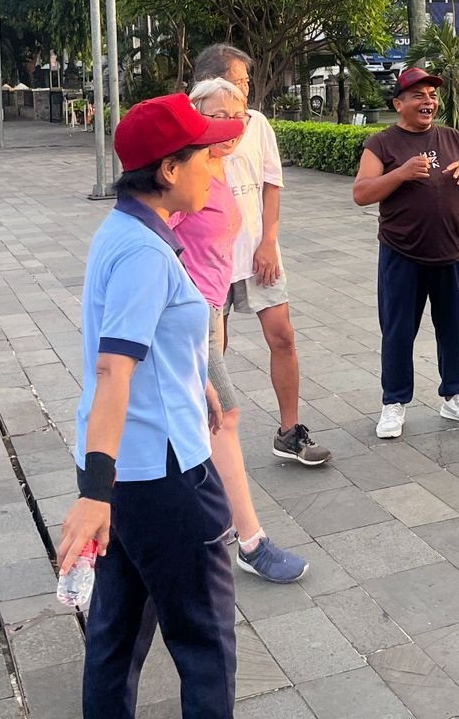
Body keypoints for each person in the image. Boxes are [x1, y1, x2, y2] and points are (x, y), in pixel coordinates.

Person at [56, 92, 247, 719]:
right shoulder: (144, 252)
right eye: (205, 157)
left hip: (129, 473)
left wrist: (197, 382)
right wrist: (94, 495)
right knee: (205, 642)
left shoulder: (127, 229)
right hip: (165, 478)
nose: (215, 169)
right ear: (168, 169)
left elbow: (148, 341)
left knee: (115, 637)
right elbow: (114, 367)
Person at [169, 77, 309, 584]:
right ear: (194, 115)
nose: (233, 125)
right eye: (220, 115)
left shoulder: (218, 165)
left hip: (203, 312)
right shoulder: (184, 173)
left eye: (240, 115)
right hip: (184, 316)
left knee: (191, 421)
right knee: (222, 415)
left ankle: (190, 523)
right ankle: (249, 539)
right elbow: (151, 230)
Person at [192, 44, 330, 468]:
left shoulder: (256, 124)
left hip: (257, 255)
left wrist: (268, 241)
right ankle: (202, 442)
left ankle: (290, 432)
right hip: (207, 262)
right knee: (212, 352)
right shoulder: (191, 129)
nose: (246, 88)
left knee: (282, 336)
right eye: (239, 80)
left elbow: (271, 185)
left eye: (247, 82)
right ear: (210, 83)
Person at [352, 66, 459, 439]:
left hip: (451, 251)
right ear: (398, 104)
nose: (428, 101)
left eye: (432, 95)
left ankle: (456, 396)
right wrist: (400, 174)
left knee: (454, 330)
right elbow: (361, 193)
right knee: (398, 331)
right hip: (402, 253)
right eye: (418, 95)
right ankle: (394, 402)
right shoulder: (381, 143)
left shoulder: (453, 137)